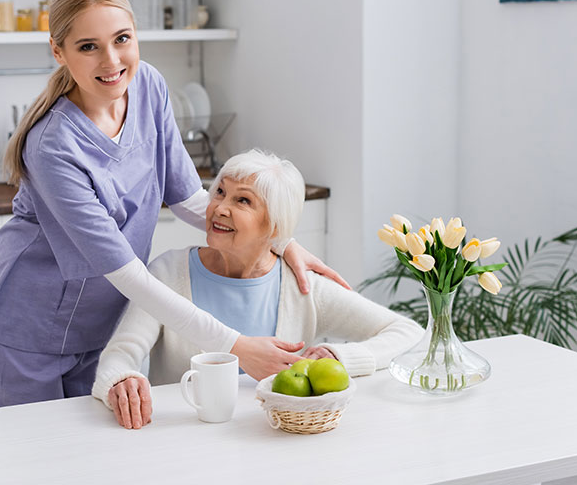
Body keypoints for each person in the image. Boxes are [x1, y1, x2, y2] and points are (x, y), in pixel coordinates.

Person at [0, 0, 347, 409]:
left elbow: (189, 199)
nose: (111, 61)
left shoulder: (146, 85)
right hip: (27, 328)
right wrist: (237, 347)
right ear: (59, 52)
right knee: (28, 464)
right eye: (88, 46)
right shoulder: (53, 145)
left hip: (100, 324)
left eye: (122, 39)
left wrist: (279, 241)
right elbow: (130, 274)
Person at [92, 150, 424, 429]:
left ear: (275, 226)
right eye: (219, 192)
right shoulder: (168, 272)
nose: (220, 208)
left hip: (276, 442)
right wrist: (121, 380)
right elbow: (120, 355)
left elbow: (407, 332)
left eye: (243, 201)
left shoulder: (302, 286)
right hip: (187, 446)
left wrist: (339, 357)